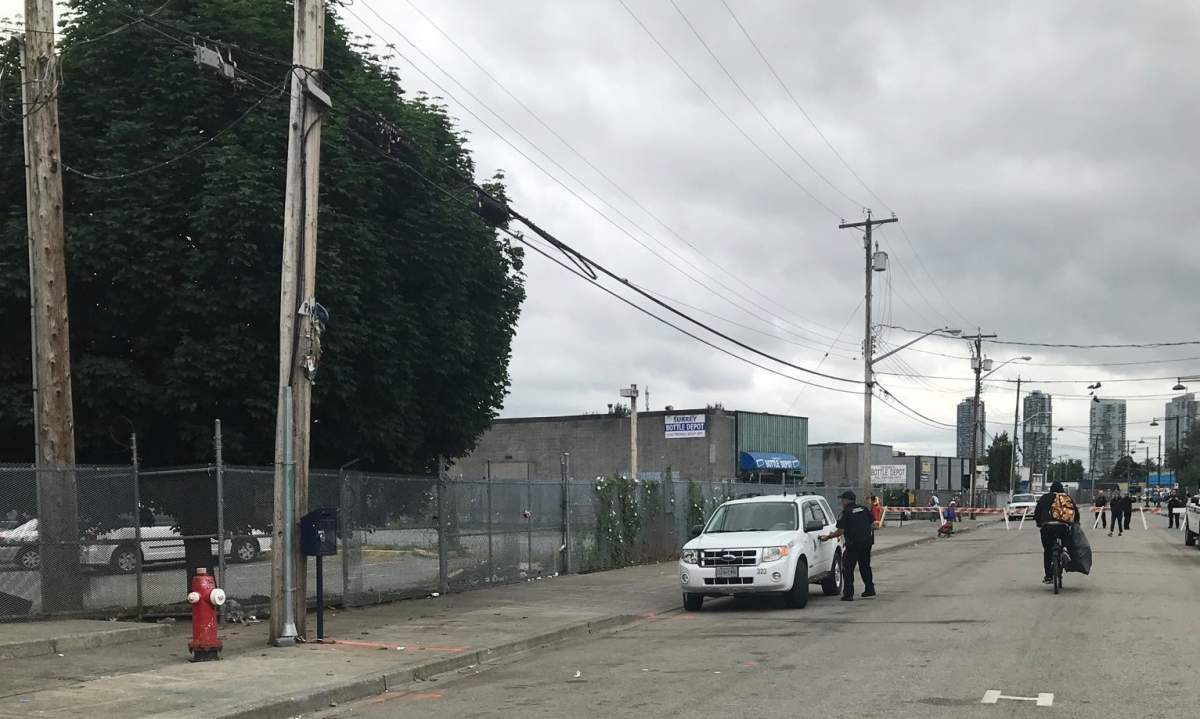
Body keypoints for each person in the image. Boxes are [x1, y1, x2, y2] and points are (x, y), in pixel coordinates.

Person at [819, 491, 875, 601]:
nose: (841, 502)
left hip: (853, 544)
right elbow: (872, 523)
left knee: (847, 568)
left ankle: (848, 594)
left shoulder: (846, 512)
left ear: (846, 500)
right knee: (865, 566)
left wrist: (828, 537)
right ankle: (870, 589)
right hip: (866, 543)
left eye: (842, 500)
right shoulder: (863, 509)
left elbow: (840, 531)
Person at [1034, 481, 1080, 583]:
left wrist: (1038, 522)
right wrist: (1076, 522)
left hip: (1047, 527)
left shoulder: (1044, 497)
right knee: (1066, 539)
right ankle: (1064, 550)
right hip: (1062, 527)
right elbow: (1075, 512)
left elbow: (1037, 512)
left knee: (1047, 550)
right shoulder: (1066, 497)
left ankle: (1048, 576)